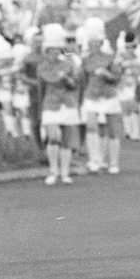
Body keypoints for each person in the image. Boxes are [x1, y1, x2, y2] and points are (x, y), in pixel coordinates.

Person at [33, 23, 80, 185]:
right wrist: (40, 109)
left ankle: (65, 172)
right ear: (46, 51)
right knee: (53, 137)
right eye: (50, 49)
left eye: (56, 49)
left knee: (66, 139)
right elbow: (41, 88)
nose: (54, 52)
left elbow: (75, 85)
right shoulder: (42, 67)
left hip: (67, 103)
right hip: (50, 104)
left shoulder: (68, 64)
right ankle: (53, 170)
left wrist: (67, 79)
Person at [77, 17, 123, 174]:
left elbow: (117, 79)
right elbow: (83, 79)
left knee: (112, 129)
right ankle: (94, 160)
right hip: (91, 95)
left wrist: (106, 74)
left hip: (109, 95)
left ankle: (113, 162)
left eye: (96, 41)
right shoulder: (85, 59)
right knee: (91, 126)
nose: (92, 44)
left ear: (101, 41)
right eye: (90, 41)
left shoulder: (111, 57)